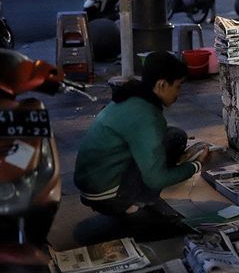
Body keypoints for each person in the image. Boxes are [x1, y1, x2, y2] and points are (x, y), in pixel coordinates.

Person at [74, 52, 209, 217]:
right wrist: (196, 165)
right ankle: (135, 205)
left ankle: (136, 194)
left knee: (175, 136)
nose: (178, 94)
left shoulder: (132, 95)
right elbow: (155, 179)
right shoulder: (147, 116)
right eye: (178, 86)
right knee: (159, 171)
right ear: (162, 85)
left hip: (90, 183)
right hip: (107, 194)